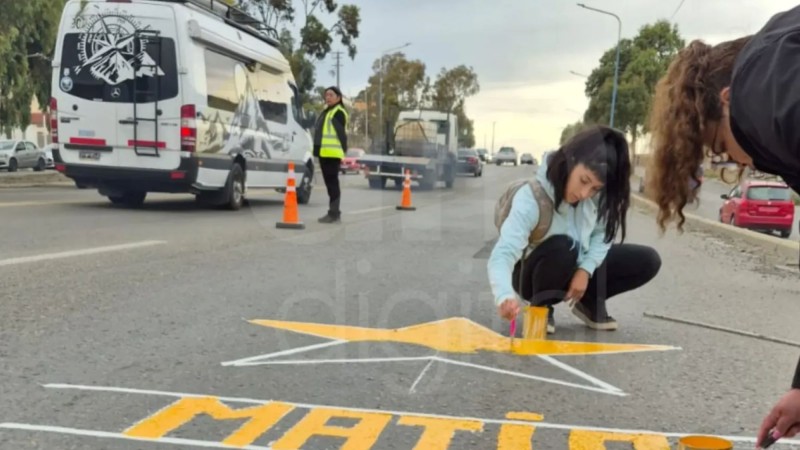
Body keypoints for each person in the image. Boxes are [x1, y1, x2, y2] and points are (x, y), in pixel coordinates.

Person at [644, 5, 800, 446]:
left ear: (728, 99)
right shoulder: (777, 59)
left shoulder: (762, 90)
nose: (739, 162)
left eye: (720, 148)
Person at [488, 126, 662, 334]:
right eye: (584, 180)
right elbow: (503, 253)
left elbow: (602, 236)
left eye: (595, 188)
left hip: (575, 264)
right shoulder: (532, 198)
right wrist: (504, 295)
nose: (584, 193)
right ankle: (541, 306)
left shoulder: (594, 197)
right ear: (570, 161)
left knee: (648, 260)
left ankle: (588, 301)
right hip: (533, 273)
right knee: (565, 247)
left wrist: (585, 270)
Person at [313, 86, 349, 223]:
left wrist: (343, 151)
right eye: (326, 95)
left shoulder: (338, 112)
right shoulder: (327, 112)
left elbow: (341, 134)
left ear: (338, 98)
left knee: (332, 184)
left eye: (331, 95)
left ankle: (334, 213)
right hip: (324, 153)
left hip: (332, 154)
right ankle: (333, 212)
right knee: (330, 184)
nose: (327, 97)